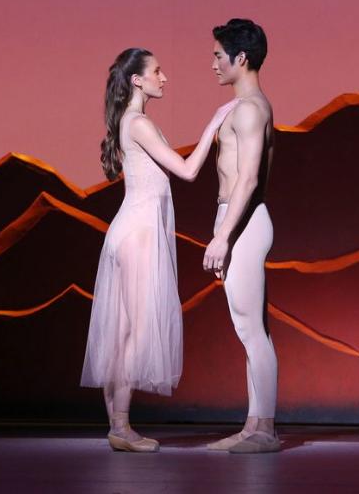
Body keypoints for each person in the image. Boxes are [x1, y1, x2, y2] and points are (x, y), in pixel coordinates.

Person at [81, 47, 237, 452]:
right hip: (138, 234)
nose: (164, 77)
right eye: (157, 71)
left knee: (125, 330)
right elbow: (186, 171)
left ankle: (119, 426)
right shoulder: (138, 123)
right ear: (137, 80)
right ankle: (121, 427)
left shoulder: (132, 121)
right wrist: (214, 125)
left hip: (131, 230)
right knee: (131, 332)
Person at [202, 19, 280, 454]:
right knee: (248, 326)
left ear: (240, 58)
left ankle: (265, 430)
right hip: (237, 221)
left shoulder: (250, 109)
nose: (213, 63)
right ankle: (253, 425)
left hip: (244, 222)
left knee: (251, 329)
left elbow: (247, 180)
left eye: (218, 55)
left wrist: (223, 237)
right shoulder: (245, 107)